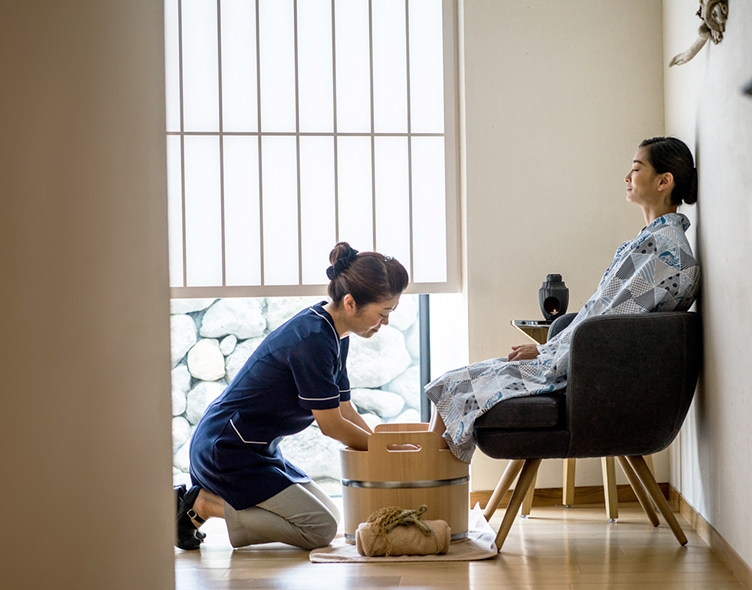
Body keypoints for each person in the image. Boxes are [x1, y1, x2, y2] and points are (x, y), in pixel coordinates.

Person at [426, 136, 701, 463]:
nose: (627, 177)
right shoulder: (654, 245)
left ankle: (432, 497)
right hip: (585, 363)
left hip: (589, 376)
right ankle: (433, 495)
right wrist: (545, 349)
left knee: (455, 384)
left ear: (664, 181)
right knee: (453, 384)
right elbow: (604, 317)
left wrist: (545, 352)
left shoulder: (665, 254)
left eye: (636, 168)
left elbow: (608, 326)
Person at [175, 243, 409, 551]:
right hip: (228, 451)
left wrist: (383, 448)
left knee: (330, 515)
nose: (386, 322)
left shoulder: (335, 335)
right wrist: (387, 451)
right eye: (383, 313)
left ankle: (208, 503)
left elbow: (345, 410)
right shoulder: (313, 339)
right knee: (320, 529)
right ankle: (203, 505)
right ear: (351, 303)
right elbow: (332, 425)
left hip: (255, 450)